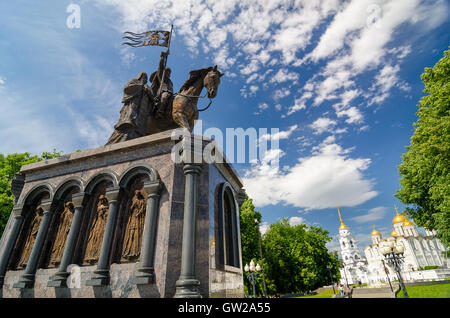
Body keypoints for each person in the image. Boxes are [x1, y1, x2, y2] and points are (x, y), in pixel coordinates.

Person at [106, 72, 153, 145]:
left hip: (143, 109)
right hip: (133, 105)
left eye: (146, 78)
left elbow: (152, 99)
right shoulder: (135, 81)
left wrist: (149, 92)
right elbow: (127, 89)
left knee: (140, 126)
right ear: (140, 76)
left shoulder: (148, 87)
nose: (145, 79)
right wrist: (141, 86)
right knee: (130, 120)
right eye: (144, 77)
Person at [150, 51, 173, 118]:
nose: (169, 74)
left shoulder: (170, 81)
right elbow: (160, 65)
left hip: (171, 93)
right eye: (167, 72)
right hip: (162, 92)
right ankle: (159, 111)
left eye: (169, 72)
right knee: (164, 97)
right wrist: (162, 57)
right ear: (164, 72)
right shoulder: (162, 77)